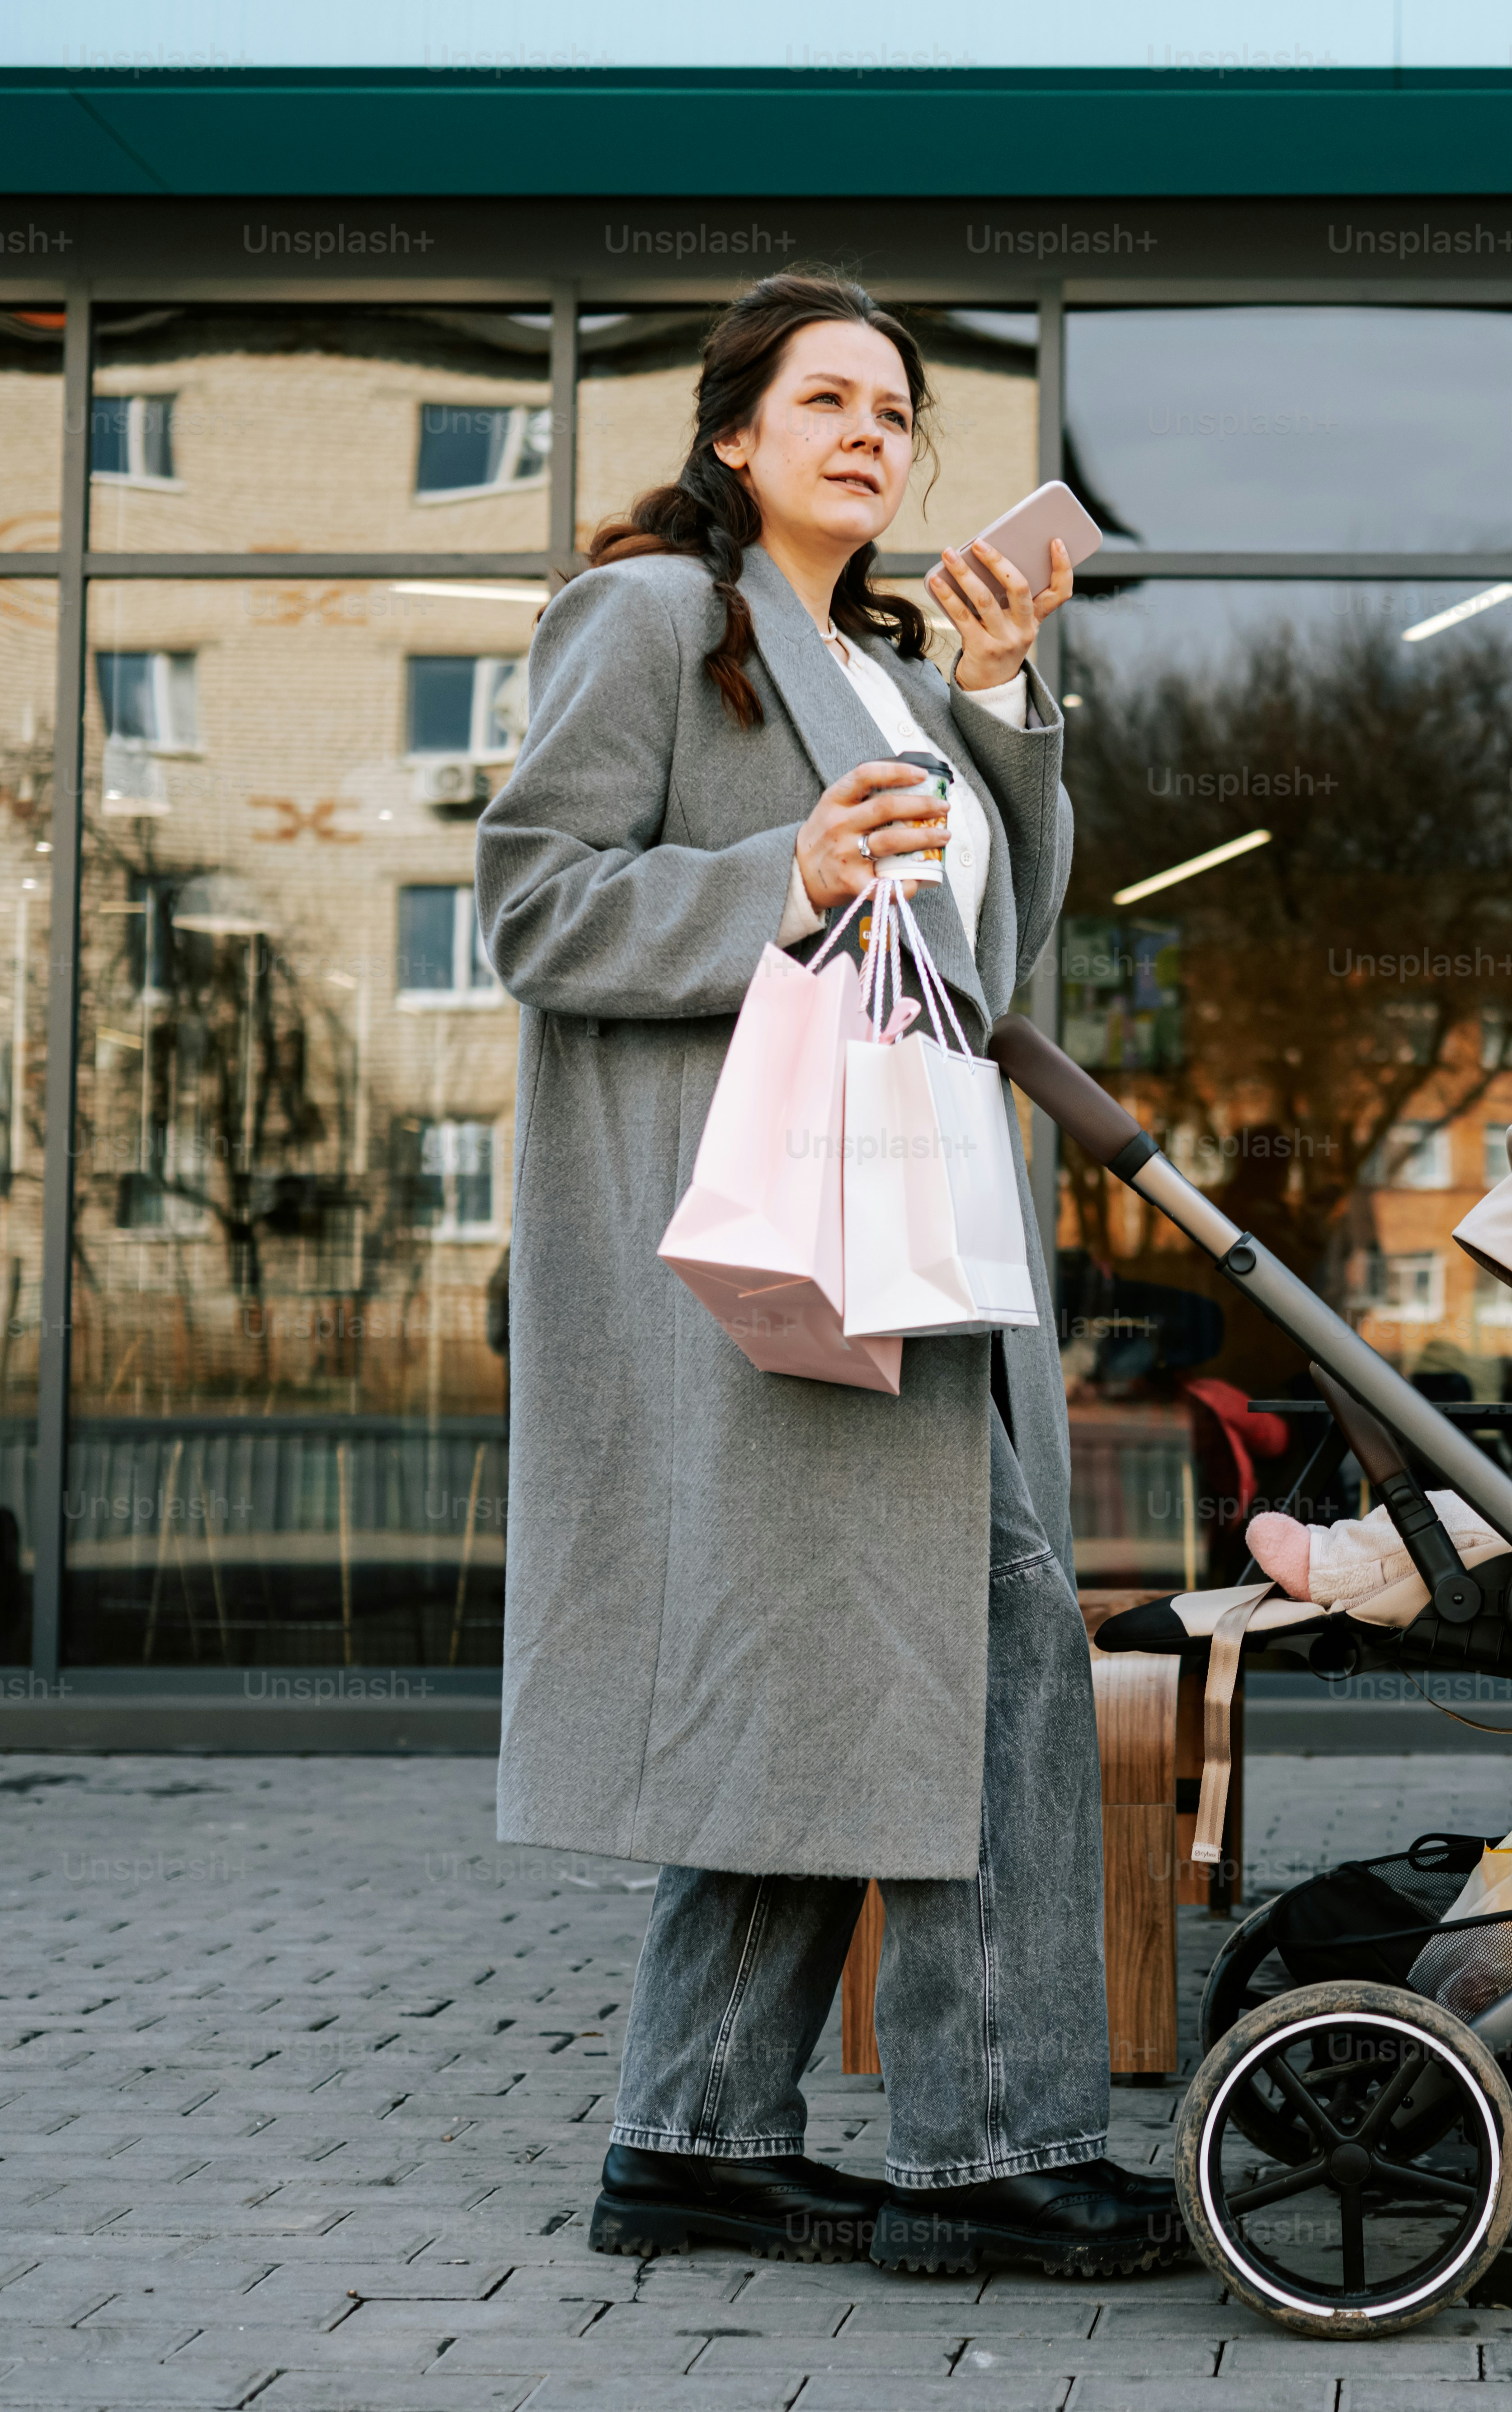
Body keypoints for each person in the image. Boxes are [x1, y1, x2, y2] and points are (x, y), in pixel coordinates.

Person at [475, 270, 1171, 2278]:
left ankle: (690, 2136)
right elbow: (534, 906)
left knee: (838, 1672)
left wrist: (1005, 699)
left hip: (907, 1226)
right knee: (996, 1651)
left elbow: (987, 961)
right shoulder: (652, 617)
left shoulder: (879, 664)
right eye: (828, 401)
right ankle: (992, 2152)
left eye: (895, 409)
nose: (871, 434)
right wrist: (777, 876)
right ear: (734, 435)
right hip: (786, 1245)